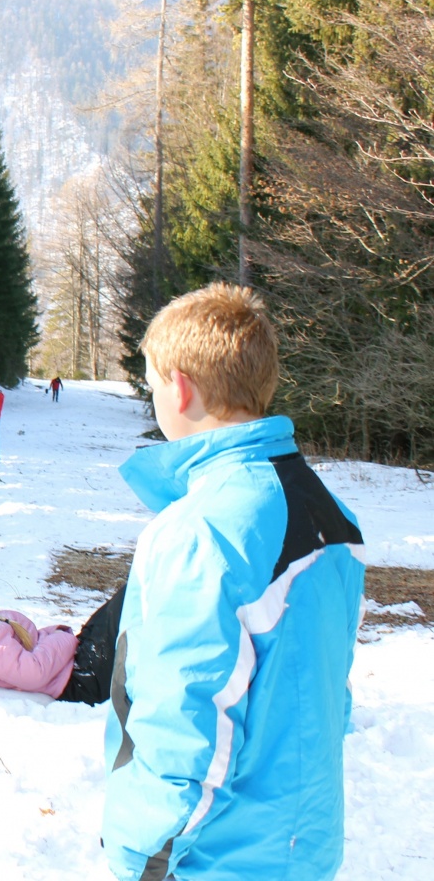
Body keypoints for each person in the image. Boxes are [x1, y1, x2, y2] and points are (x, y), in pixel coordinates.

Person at [102, 282, 364, 881]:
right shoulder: (330, 514)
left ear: (180, 386)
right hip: (301, 846)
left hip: (215, 857)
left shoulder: (202, 531)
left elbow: (184, 711)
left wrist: (140, 852)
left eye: (151, 385)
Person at [0, 594, 78, 698]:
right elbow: (33, 673)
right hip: (69, 677)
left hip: (65, 665)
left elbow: (32, 641)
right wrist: (60, 636)